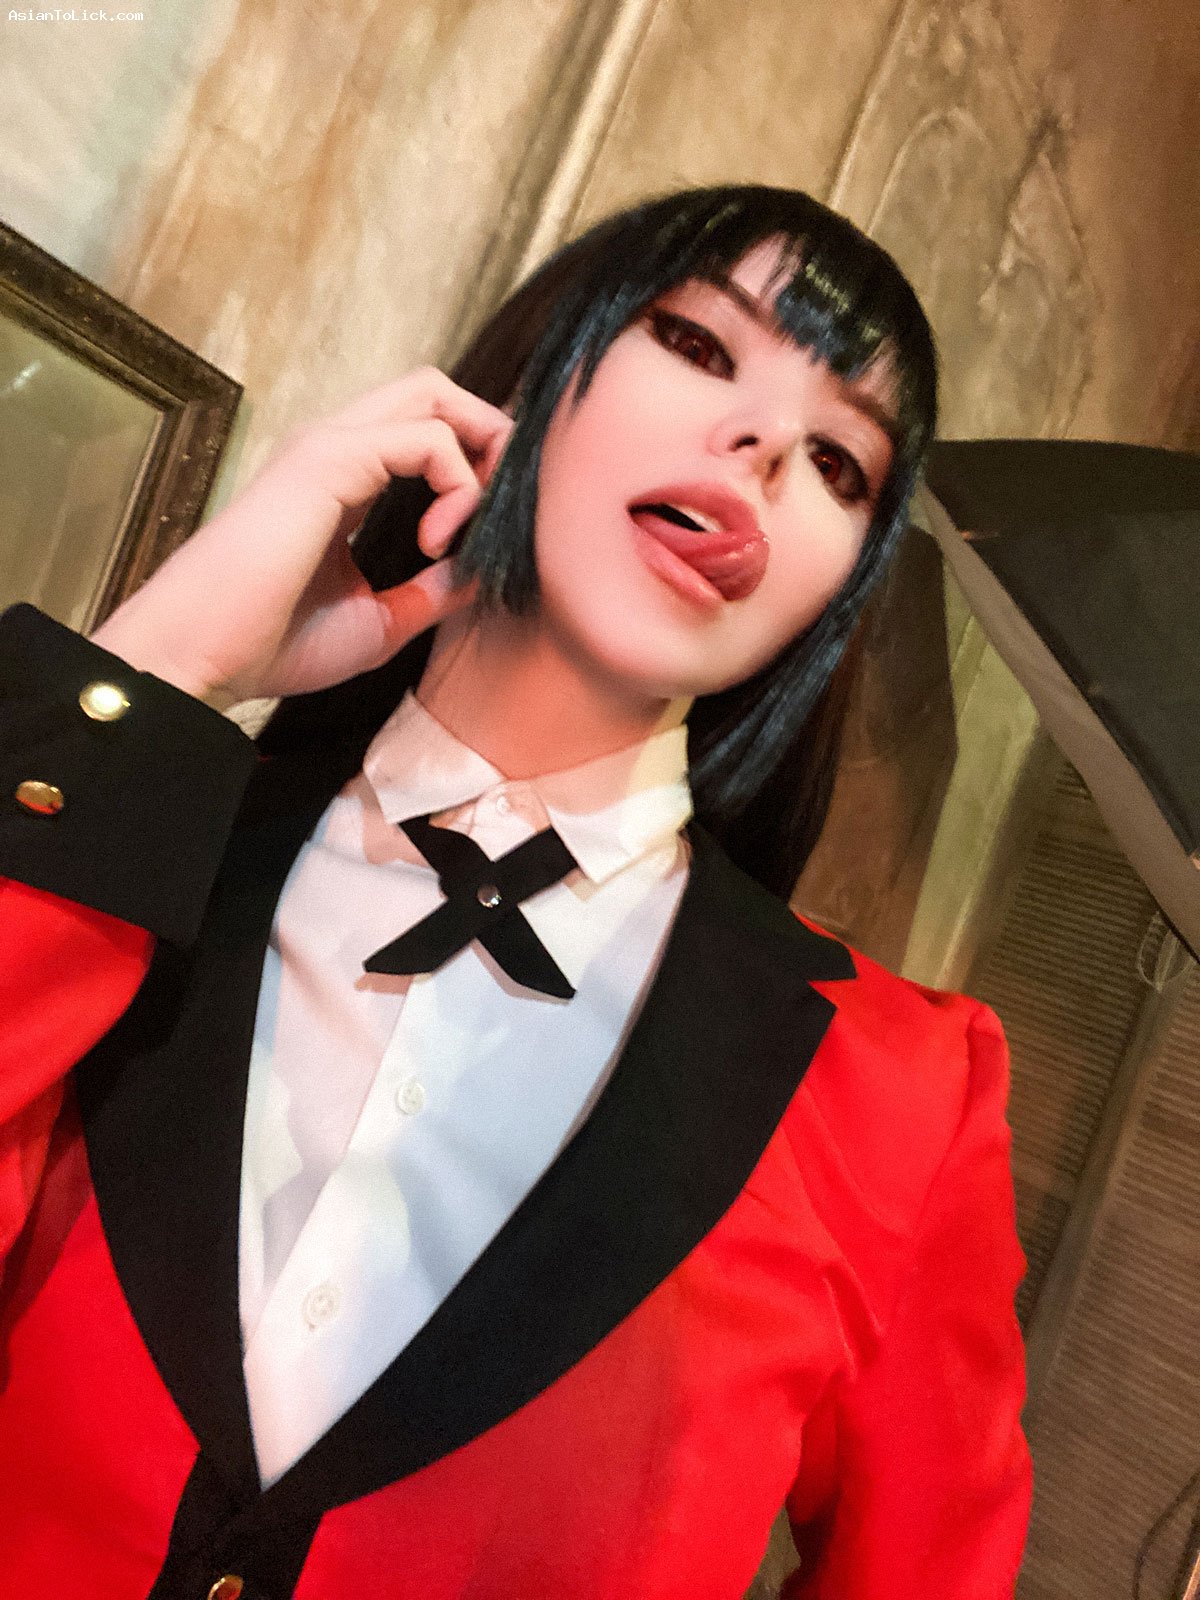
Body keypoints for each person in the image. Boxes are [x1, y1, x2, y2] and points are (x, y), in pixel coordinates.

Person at [0, 184, 1031, 1598]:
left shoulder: (903, 1096)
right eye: (702, 345)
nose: (770, 446)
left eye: (843, 464)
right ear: (533, 373)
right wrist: (161, 673)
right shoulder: (130, 838)